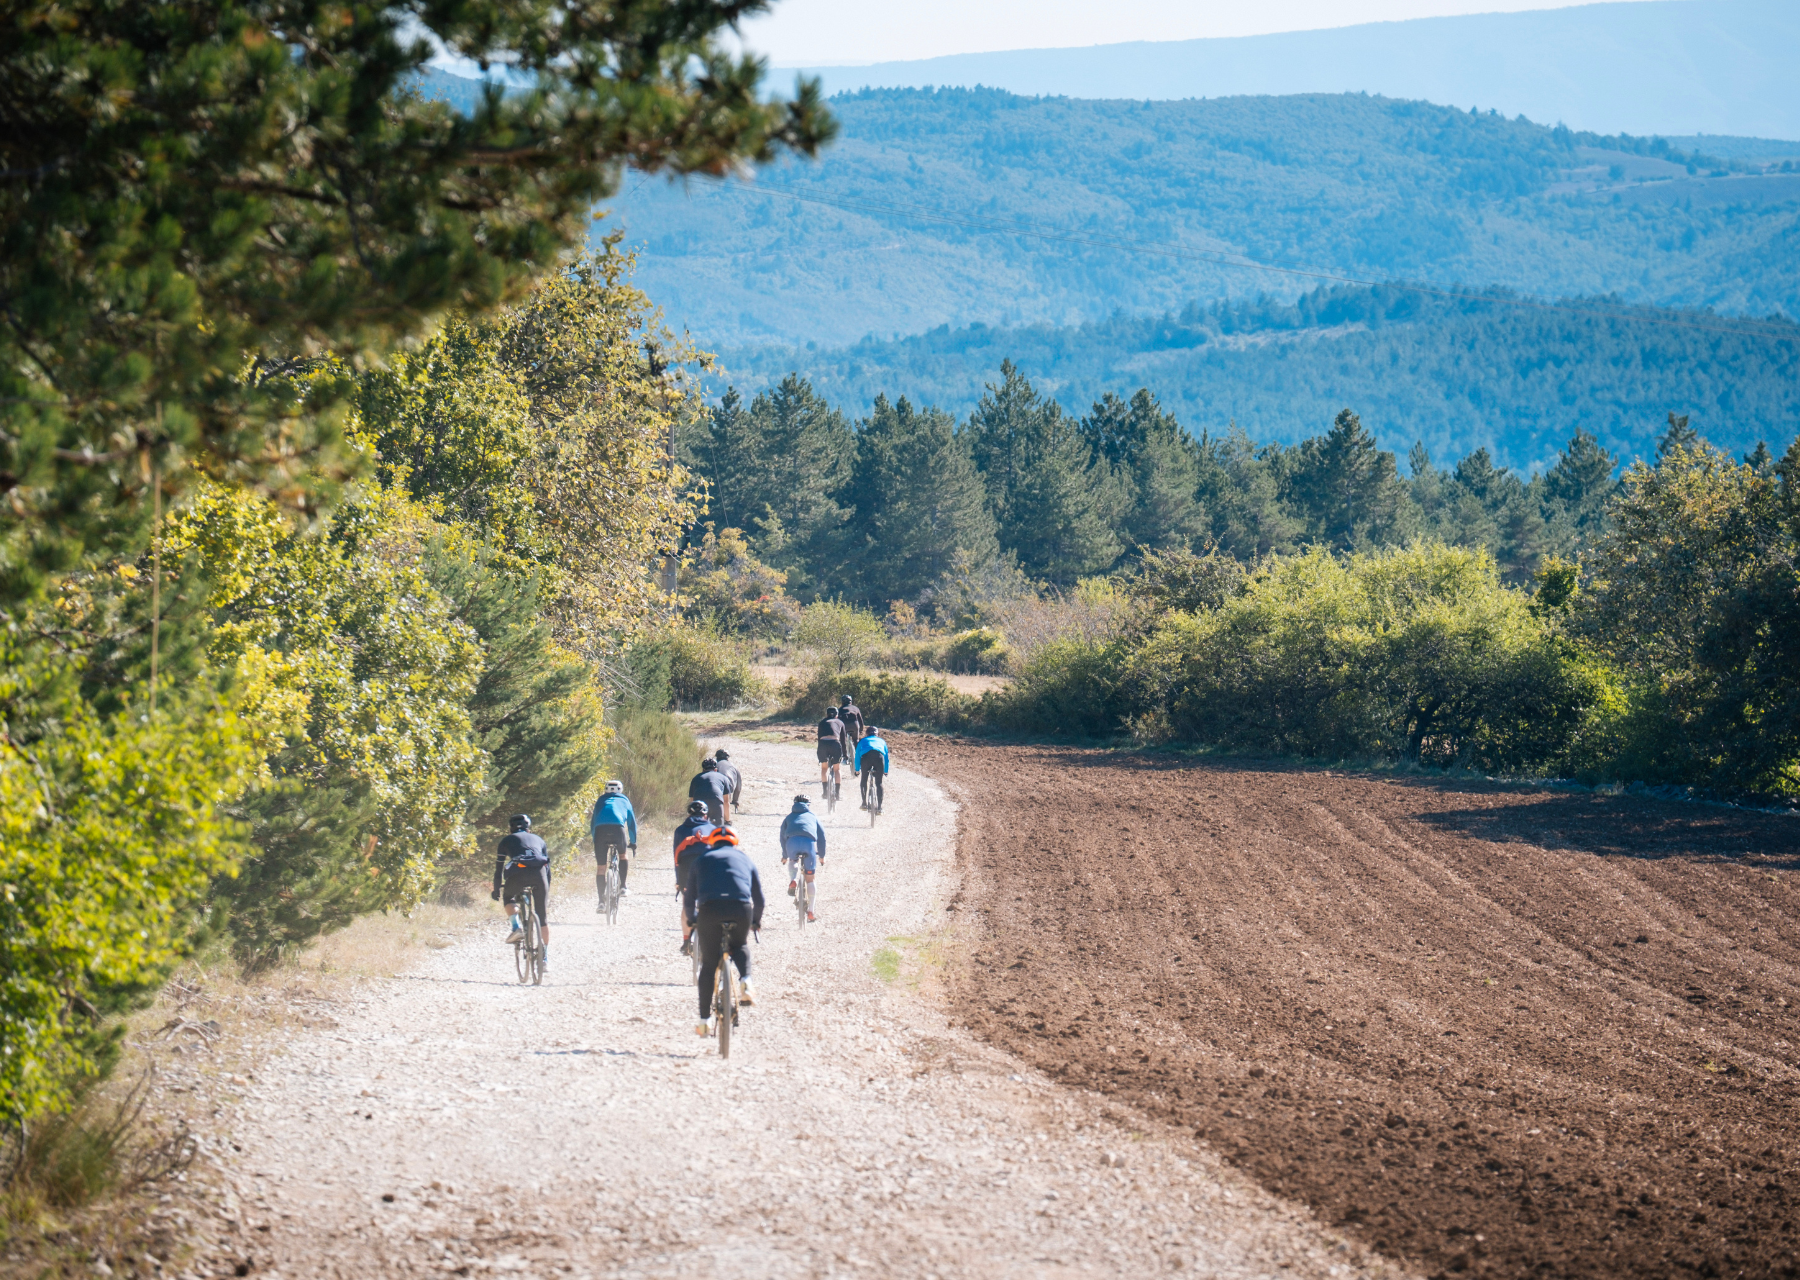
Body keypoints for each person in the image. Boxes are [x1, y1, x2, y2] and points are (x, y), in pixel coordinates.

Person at [683, 825, 764, 1036]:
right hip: (740, 908)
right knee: (740, 945)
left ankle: (704, 1021)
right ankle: (746, 981)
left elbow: (689, 897)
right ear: (734, 843)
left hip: (710, 910)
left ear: (711, 842)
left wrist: (692, 920)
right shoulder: (745, 859)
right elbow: (759, 899)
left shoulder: (701, 860)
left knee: (709, 964)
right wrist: (755, 921)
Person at [492, 814, 552, 971]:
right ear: (528, 827)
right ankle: (544, 957)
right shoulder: (539, 839)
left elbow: (498, 870)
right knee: (543, 917)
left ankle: (516, 927)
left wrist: (496, 889)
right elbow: (547, 868)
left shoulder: (506, 841)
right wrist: (546, 889)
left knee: (508, 897)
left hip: (518, 874)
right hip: (540, 876)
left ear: (511, 828)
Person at [672, 802, 719, 955]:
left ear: (688, 814)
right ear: (706, 815)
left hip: (687, 868)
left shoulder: (680, 830)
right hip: (708, 865)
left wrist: (679, 882)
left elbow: (676, 858)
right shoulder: (713, 829)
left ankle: (686, 941)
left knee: (687, 903)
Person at [779, 794, 828, 923]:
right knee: (810, 879)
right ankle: (811, 911)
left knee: (793, 860)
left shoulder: (788, 818)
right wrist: (821, 856)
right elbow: (822, 837)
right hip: (808, 844)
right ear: (808, 805)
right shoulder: (813, 817)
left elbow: (782, 837)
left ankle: (793, 879)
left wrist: (785, 855)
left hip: (792, 843)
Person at [589, 779, 638, 905]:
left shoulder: (600, 800)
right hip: (617, 829)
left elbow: (593, 822)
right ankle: (623, 887)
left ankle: (601, 902)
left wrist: (596, 840)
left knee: (601, 867)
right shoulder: (624, 800)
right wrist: (633, 842)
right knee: (623, 855)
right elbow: (632, 823)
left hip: (600, 831)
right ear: (621, 790)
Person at [853, 725, 890, 813]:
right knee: (879, 783)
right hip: (879, 757)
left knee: (864, 779)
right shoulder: (882, 741)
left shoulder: (863, 740)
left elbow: (857, 756)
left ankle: (864, 803)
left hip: (866, 758)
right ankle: (880, 808)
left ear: (867, 734)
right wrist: (885, 771)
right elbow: (886, 757)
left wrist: (857, 770)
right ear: (877, 734)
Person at [687, 757, 734, 826]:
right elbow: (726, 802)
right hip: (716, 802)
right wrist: (727, 820)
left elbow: (692, 801)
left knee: (698, 829)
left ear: (703, 770)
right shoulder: (723, 778)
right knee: (717, 831)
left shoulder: (696, 778)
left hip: (699, 805)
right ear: (715, 770)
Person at [815, 706, 846, 798]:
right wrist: (845, 755)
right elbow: (843, 741)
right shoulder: (840, 722)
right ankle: (837, 794)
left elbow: (819, 738)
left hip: (823, 744)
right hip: (835, 744)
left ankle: (825, 792)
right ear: (837, 715)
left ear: (826, 714)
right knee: (837, 769)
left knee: (824, 768)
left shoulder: (822, 722)